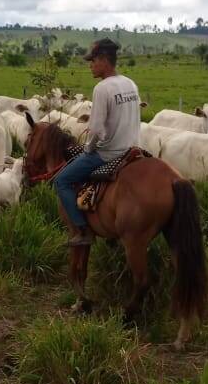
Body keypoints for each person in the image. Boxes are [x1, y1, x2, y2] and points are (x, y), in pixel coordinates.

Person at [54, 38, 142, 246]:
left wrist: (88, 149)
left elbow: (95, 130)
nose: (90, 65)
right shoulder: (131, 84)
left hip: (108, 153)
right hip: (132, 149)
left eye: (92, 60)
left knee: (62, 181)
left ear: (103, 59)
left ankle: (83, 231)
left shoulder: (102, 88)